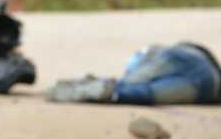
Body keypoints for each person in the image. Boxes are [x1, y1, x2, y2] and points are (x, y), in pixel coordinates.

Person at [48, 43, 221, 105]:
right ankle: (114, 93)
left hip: (187, 58)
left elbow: (144, 57)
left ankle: (111, 89)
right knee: (150, 94)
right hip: (210, 86)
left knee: (136, 83)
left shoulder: (160, 51)